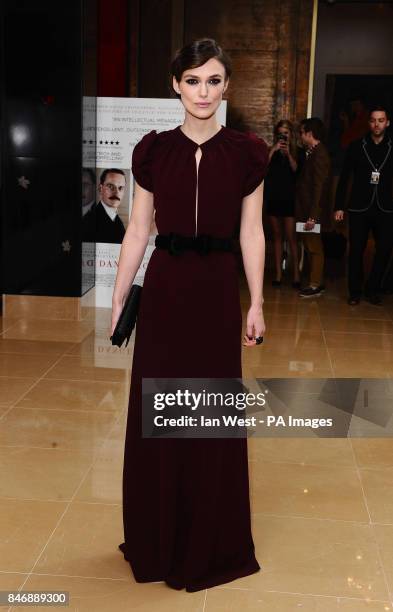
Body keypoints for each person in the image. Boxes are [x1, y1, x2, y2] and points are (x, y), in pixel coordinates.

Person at [111, 38, 268, 592]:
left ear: (227, 88)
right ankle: (158, 538)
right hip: (167, 290)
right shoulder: (153, 151)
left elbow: (252, 232)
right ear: (176, 85)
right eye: (194, 80)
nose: (204, 91)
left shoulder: (249, 153)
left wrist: (258, 302)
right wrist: (118, 298)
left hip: (216, 294)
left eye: (214, 80)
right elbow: (138, 230)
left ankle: (207, 540)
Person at [334, 105, 393, 305]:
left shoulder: (392, 147)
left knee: (385, 249)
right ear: (369, 123)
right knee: (356, 250)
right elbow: (344, 178)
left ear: (387, 123)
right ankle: (355, 292)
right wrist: (339, 206)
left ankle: (373, 288)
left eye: (381, 120)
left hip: (386, 207)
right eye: (373, 120)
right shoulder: (357, 146)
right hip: (359, 206)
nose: (377, 124)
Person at [296, 118, 331, 298]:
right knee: (310, 246)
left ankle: (315, 284)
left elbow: (320, 187)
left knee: (314, 248)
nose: (300, 136)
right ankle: (315, 281)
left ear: (310, 134)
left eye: (302, 132)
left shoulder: (320, 154)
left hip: (311, 212)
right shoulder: (312, 152)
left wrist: (313, 216)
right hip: (306, 210)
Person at [264, 119, 302, 287]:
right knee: (277, 237)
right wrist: (273, 150)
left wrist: (288, 155)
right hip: (273, 197)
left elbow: (297, 171)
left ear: (290, 134)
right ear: (276, 134)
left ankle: (296, 275)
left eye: (286, 133)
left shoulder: (297, 151)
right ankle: (278, 274)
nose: (283, 136)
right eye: (280, 133)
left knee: (291, 237)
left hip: (289, 198)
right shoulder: (270, 150)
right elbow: (262, 168)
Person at [83, 168, 126, 243]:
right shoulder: (89, 221)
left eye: (120, 188)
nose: (116, 192)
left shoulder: (117, 220)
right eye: (110, 186)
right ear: (100, 189)